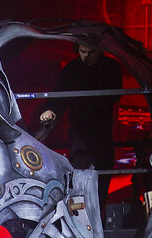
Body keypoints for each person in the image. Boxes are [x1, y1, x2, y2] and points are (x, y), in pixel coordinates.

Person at [39, 43, 122, 173]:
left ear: (100, 51)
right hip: (79, 131)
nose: (86, 56)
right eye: (83, 52)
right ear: (77, 50)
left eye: (91, 53)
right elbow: (59, 97)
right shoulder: (71, 69)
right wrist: (51, 110)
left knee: (103, 168)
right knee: (81, 168)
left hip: (103, 129)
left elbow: (116, 96)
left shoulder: (110, 67)